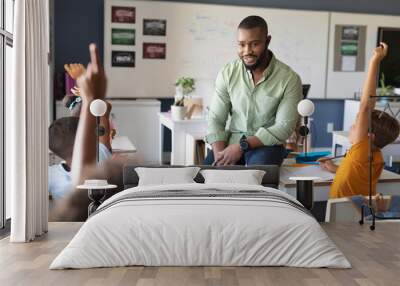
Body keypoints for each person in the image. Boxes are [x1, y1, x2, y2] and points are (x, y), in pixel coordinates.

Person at [204, 15, 302, 166]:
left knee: (254, 178)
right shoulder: (228, 72)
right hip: (231, 143)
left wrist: (242, 146)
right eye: (241, 45)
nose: (246, 51)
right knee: (203, 178)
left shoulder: (289, 79)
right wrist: (220, 157)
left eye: (254, 44)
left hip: (266, 145)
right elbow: (216, 118)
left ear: (267, 41)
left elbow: (284, 127)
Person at [318, 43, 400, 198]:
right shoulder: (375, 157)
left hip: (341, 216)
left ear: (369, 136)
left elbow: (365, 107)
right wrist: (333, 167)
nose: (352, 126)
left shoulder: (361, 151)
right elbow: (354, 173)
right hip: (359, 213)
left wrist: (374, 60)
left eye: (357, 125)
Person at [48, 114, 112, 200]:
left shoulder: (52, 175)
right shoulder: (101, 154)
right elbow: (103, 133)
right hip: (106, 212)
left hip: (68, 214)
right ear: (85, 140)